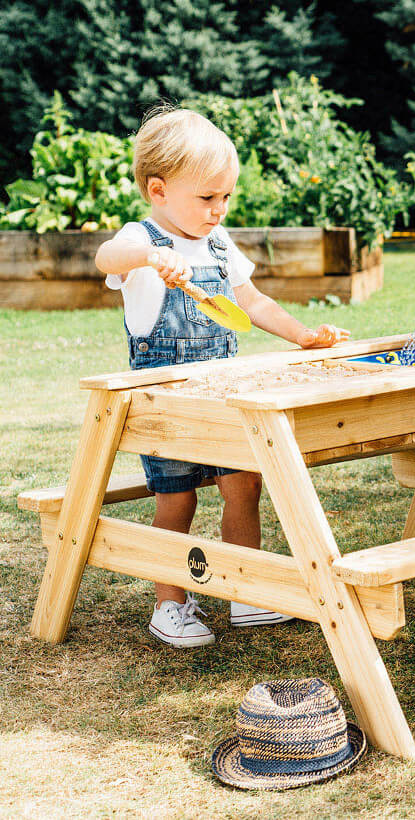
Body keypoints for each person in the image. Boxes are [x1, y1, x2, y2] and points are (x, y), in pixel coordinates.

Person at [95, 106, 350, 648]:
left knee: (244, 485)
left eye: (225, 197)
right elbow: (104, 256)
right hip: (167, 405)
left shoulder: (217, 243)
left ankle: (245, 592)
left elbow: (250, 300)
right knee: (178, 499)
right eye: (206, 198)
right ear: (158, 190)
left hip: (225, 396)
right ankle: (170, 603)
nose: (218, 210)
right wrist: (147, 256)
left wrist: (302, 335)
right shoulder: (138, 241)